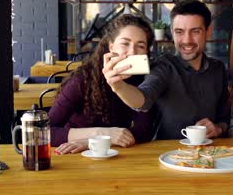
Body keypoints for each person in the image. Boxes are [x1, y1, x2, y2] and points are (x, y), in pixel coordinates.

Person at [102, 0, 229, 140]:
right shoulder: (164, 66)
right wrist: (118, 86)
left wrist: (218, 128)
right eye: (179, 32)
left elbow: (225, 118)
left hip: (212, 152)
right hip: (169, 155)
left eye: (195, 31)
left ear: (208, 31)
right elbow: (143, 100)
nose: (187, 40)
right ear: (172, 32)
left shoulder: (218, 68)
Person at [49, 14, 156, 154]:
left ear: (146, 52)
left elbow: (144, 131)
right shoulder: (84, 79)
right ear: (111, 47)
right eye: (125, 43)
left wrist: (94, 142)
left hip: (117, 158)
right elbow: (44, 132)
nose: (132, 52)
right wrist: (101, 134)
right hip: (75, 157)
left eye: (140, 46)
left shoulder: (144, 81)